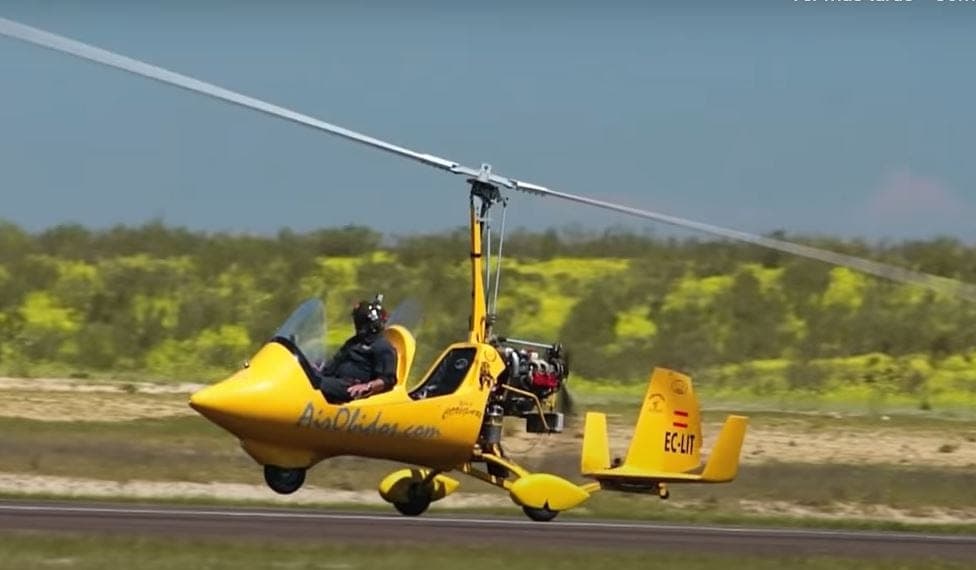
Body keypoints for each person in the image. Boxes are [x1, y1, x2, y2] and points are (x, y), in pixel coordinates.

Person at [316, 296, 397, 404]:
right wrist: (315, 369)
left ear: (369, 325)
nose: (357, 326)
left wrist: (368, 386)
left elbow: (388, 380)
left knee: (315, 382)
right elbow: (335, 363)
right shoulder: (353, 342)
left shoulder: (382, 347)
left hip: (352, 388)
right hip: (336, 381)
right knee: (307, 376)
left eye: (360, 322)